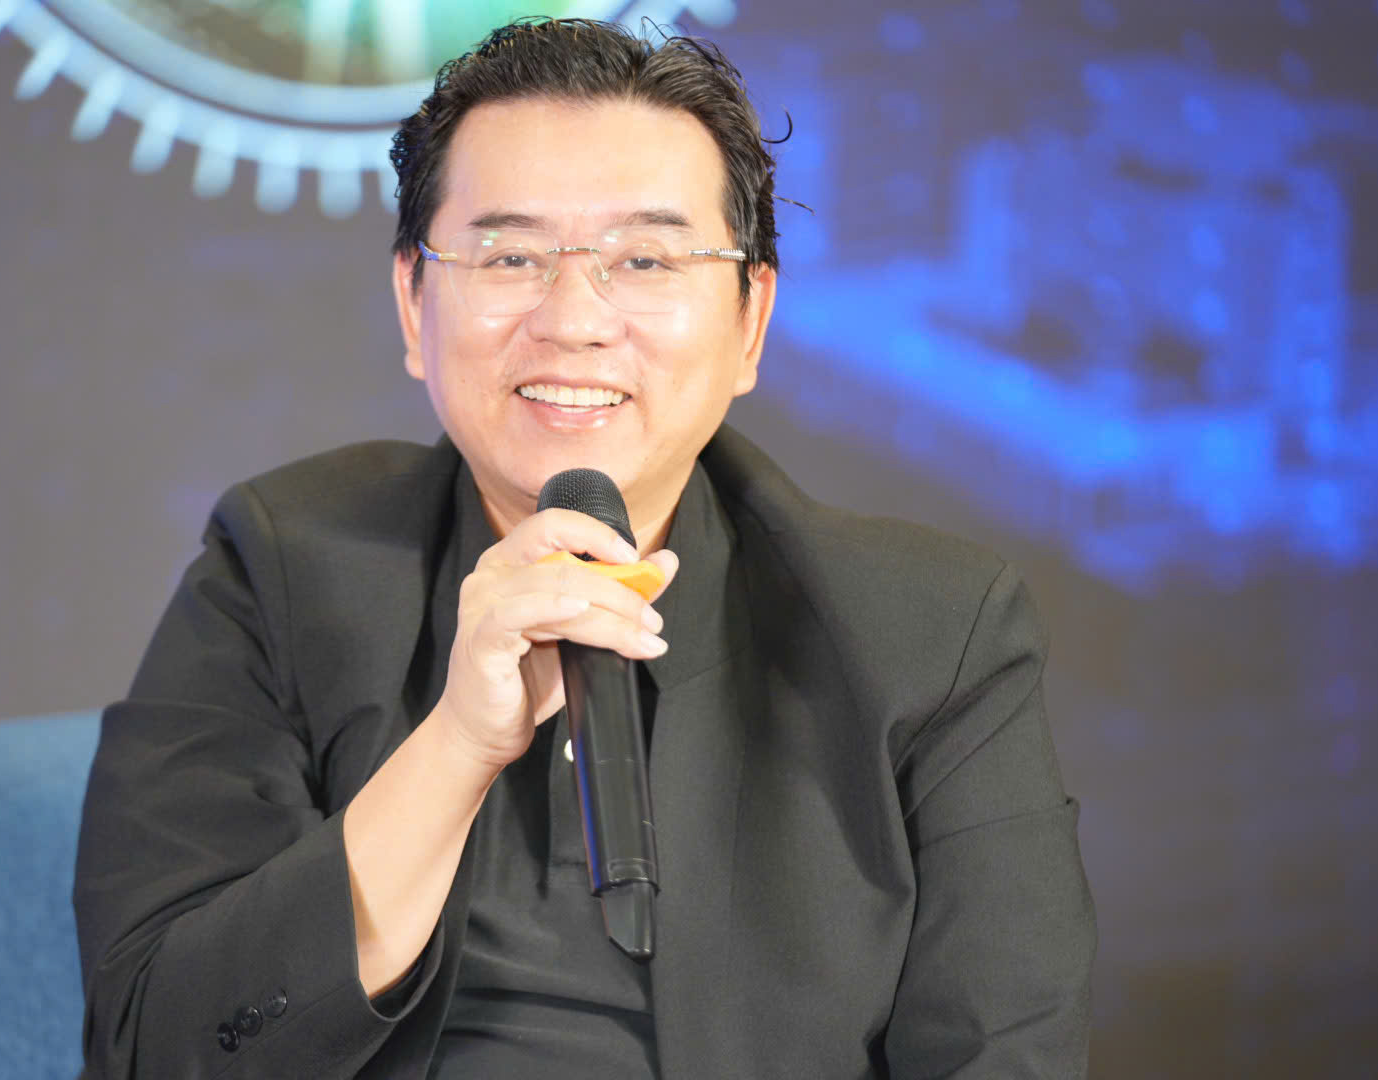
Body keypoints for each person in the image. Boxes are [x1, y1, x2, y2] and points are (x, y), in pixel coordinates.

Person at [73, 18, 1094, 1079]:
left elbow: (1004, 1052)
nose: (573, 320)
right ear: (414, 305)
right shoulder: (280, 566)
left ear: (749, 321)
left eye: (644, 259)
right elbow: (156, 1044)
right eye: (510, 256)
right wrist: (454, 749)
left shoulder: (933, 634)